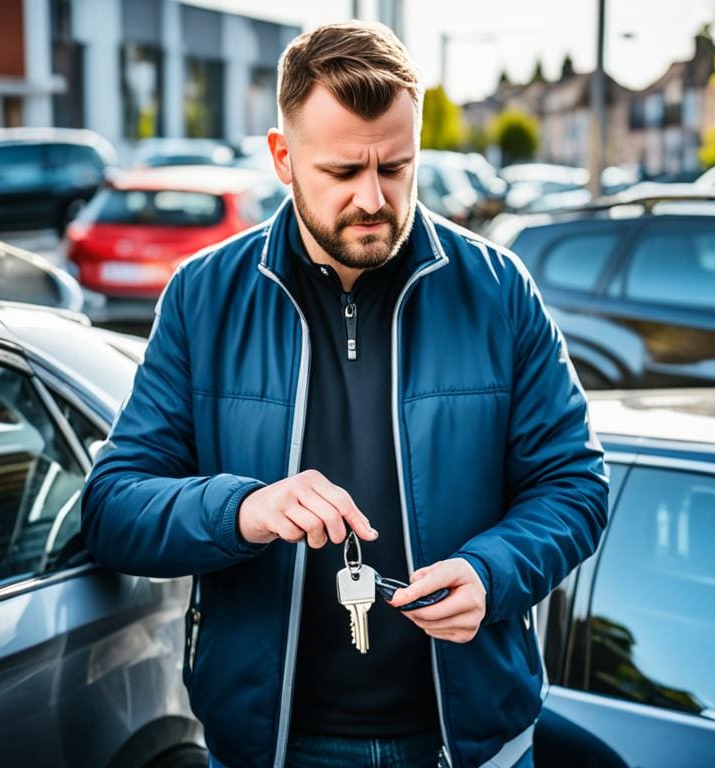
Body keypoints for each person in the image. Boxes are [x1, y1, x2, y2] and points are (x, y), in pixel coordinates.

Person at [82, 20, 608, 768]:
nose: (373, 199)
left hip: (471, 746)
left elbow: (576, 485)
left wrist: (495, 573)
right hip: (274, 746)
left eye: (396, 167)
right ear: (282, 157)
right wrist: (243, 509)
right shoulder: (204, 297)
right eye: (342, 172)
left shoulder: (498, 291)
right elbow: (112, 508)